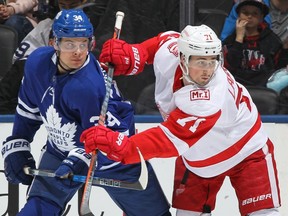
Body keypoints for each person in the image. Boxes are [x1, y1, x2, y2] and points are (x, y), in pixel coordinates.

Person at [80, 24, 282, 215]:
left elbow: (170, 138)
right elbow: (162, 41)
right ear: (182, 58)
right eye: (201, 62)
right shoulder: (171, 52)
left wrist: (123, 147)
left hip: (247, 151)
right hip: (197, 159)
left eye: (213, 61)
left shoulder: (209, 97)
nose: (207, 70)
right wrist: (136, 55)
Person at [1, 9, 171, 216]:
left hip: (116, 158)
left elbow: (97, 140)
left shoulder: (89, 87)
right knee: (37, 209)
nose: (78, 51)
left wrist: (77, 161)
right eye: (69, 44)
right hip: (60, 149)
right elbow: (28, 110)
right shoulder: (37, 63)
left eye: (84, 44)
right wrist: (18, 143)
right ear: (54, 43)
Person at [222, 0, 288, 87]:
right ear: (238, 16)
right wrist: (239, 39)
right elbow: (230, 67)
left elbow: (279, 70)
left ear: (261, 17)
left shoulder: (272, 40)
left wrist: (285, 48)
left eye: (255, 13)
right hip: (237, 87)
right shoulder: (230, 41)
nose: (249, 16)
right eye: (245, 13)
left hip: (265, 89)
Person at [221, 0, 288, 48]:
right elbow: (224, 41)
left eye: (255, 13)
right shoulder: (250, 4)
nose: (249, 16)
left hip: (279, 59)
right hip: (244, 56)